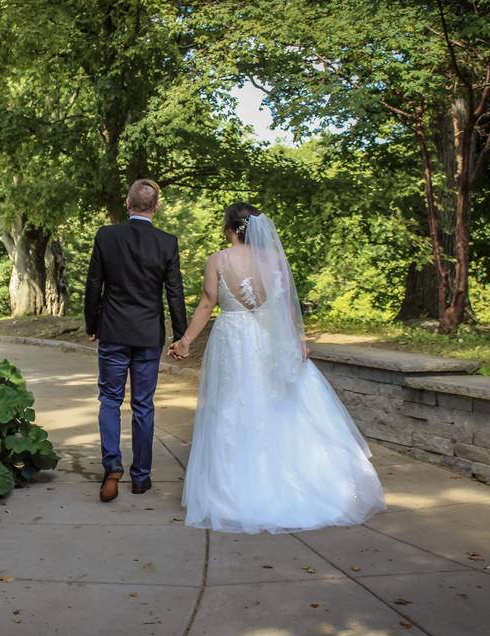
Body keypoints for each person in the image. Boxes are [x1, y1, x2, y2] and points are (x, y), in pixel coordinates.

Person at [169, 203, 386, 534]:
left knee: (231, 406)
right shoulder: (275, 260)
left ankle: (231, 490)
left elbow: (206, 303)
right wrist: (297, 341)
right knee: (275, 405)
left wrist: (185, 341)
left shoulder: (218, 260)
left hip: (232, 339)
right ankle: (290, 480)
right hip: (269, 339)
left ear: (228, 228)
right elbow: (285, 306)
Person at [84, 179, 187, 502]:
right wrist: (180, 335)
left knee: (110, 400)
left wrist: (92, 323)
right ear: (155, 207)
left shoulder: (106, 236)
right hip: (147, 334)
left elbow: (94, 284)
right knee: (143, 404)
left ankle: (113, 467)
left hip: (113, 331)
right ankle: (141, 477)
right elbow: (174, 292)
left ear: (128, 203)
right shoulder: (167, 242)